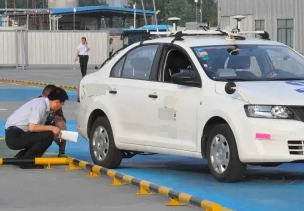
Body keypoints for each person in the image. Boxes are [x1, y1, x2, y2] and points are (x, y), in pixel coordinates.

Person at [4, 87, 69, 169]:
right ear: (57, 102)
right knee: (48, 134)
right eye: (62, 104)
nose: (60, 107)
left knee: (45, 134)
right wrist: (52, 128)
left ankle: (21, 158)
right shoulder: (40, 105)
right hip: (14, 136)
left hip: (16, 134)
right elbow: (32, 128)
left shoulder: (43, 105)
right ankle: (28, 161)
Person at [39, 85, 67, 158]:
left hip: (47, 126)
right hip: (35, 128)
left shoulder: (55, 104)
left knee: (61, 123)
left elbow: (63, 120)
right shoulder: (37, 104)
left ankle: (62, 151)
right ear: (43, 96)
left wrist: (56, 118)